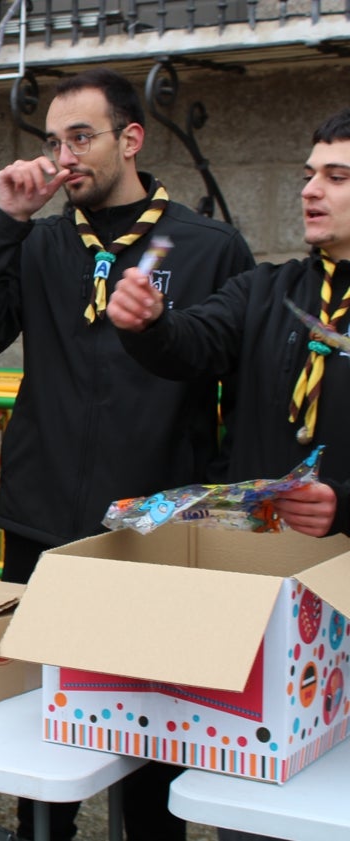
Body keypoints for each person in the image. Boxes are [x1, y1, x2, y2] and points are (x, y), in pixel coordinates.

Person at [0, 68, 256, 841]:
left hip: (152, 538)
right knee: (42, 740)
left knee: (154, 752)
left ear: (131, 139)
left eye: (81, 137)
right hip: (41, 524)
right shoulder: (42, 240)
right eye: (53, 141)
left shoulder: (209, 245)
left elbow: (238, 387)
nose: (64, 156)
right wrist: (7, 219)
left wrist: (218, 516)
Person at [108, 108, 350, 841]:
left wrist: (347, 503)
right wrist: (150, 320)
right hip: (269, 597)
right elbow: (192, 341)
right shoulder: (270, 290)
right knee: (252, 801)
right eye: (310, 173)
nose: (310, 189)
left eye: (336, 177)